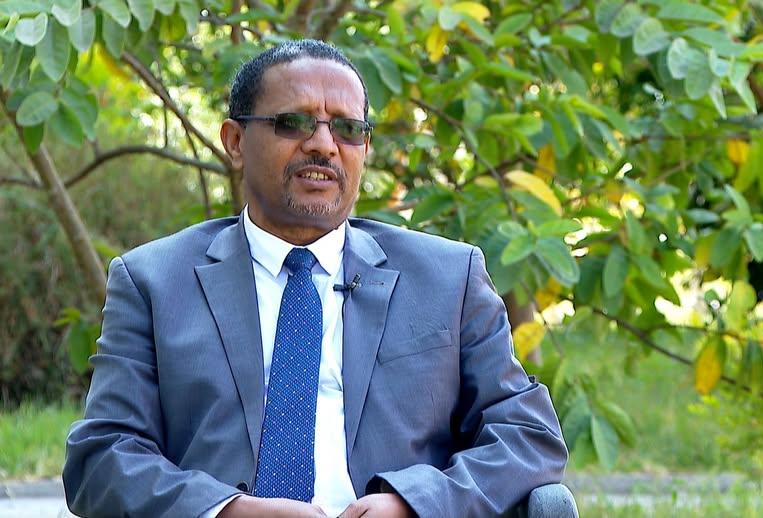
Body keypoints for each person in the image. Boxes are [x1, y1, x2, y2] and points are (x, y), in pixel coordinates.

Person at [63, 39, 567, 518]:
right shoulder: (153, 282)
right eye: (294, 123)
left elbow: (528, 434)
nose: (324, 145)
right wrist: (226, 510)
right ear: (235, 142)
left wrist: (417, 503)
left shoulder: (448, 278)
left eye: (347, 129)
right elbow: (101, 457)